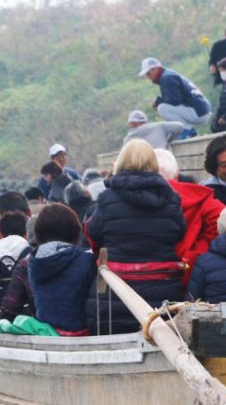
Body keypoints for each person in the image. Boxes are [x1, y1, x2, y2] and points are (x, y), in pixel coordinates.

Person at [84, 139, 186, 334]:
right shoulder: (171, 198)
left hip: (116, 291)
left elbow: (95, 232)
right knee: (162, 338)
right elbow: (179, 232)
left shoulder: (107, 198)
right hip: (162, 290)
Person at [155, 148, 225, 287]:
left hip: (149, 275)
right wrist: (196, 253)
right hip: (189, 273)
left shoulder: (138, 200)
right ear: (176, 173)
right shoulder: (199, 197)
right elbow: (223, 217)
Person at [28, 204, 97, 336]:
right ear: (74, 231)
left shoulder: (33, 262)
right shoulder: (87, 261)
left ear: (38, 233)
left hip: (47, 335)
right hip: (81, 335)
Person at [139, 57, 212, 138]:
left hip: (199, 112)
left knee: (162, 108)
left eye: (148, 73)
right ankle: (187, 131)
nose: (148, 76)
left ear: (155, 69)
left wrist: (158, 102)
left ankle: (187, 131)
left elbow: (175, 100)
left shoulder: (166, 78)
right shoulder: (167, 75)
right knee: (163, 106)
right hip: (201, 110)